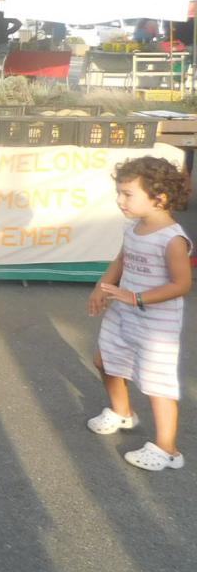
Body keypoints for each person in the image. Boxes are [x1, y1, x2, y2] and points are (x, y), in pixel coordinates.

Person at [86, 157, 191, 472]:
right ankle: (122, 412)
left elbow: (182, 284)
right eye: (119, 193)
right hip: (124, 312)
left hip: (156, 324)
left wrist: (137, 297)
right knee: (105, 361)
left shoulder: (172, 239)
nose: (120, 201)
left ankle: (168, 450)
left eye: (128, 194)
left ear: (159, 198)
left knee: (158, 385)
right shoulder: (133, 227)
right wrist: (101, 288)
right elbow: (122, 260)